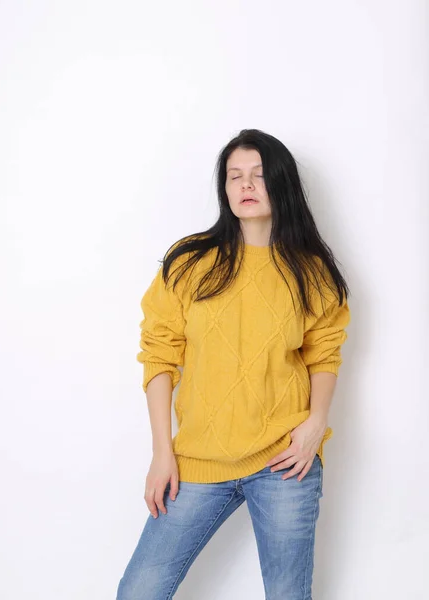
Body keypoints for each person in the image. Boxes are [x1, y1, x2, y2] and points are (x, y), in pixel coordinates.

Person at [116, 128, 351, 600]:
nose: (245, 185)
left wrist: (314, 425)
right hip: (197, 460)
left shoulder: (310, 271)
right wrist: (164, 451)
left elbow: (324, 352)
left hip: (284, 462)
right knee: (138, 592)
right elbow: (159, 353)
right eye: (234, 176)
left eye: (259, 175)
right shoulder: (190, 261)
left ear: (280, 184)